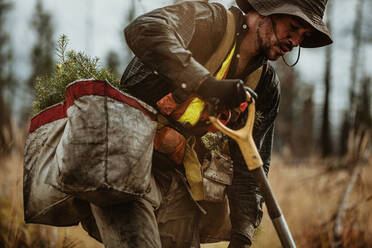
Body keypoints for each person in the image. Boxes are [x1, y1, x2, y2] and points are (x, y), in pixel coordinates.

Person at [84, 0, 332, 247]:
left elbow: (250, 167)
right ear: (268, 10)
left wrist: (242, 236)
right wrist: (204, 83)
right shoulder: (209, 22)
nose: (295, 41)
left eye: (304, 35)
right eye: (293, 26)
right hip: (124, 161)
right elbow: (144, 28)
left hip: (174, 176)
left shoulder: (264, 87)